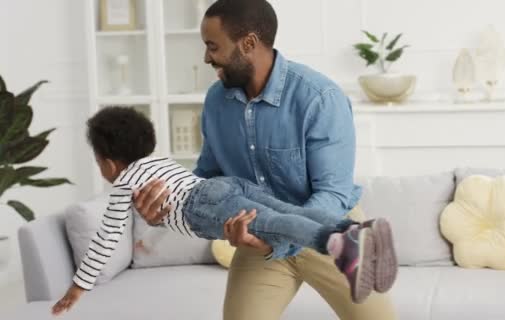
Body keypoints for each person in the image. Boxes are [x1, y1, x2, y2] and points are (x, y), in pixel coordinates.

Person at [133, 0, 398, 319]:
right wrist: (167, 208)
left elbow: (334, 194)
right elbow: (208, 179)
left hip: (330, 234)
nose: (206, 57)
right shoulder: (216, 101)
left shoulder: (319, 97)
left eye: (213, 46)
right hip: (257, 237)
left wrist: (282, 238)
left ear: (248, 44)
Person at [50, 107, 397, 316]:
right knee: (288, 211)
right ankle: (355, 228)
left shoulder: (123, 182)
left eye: (98, 163)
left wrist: (78, 286)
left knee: (276, 224)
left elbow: (108, 236)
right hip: (225, 185)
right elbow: (162, 208)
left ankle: (337, 242)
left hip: (203, 207)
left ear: (109, 163)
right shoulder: (157, 161)